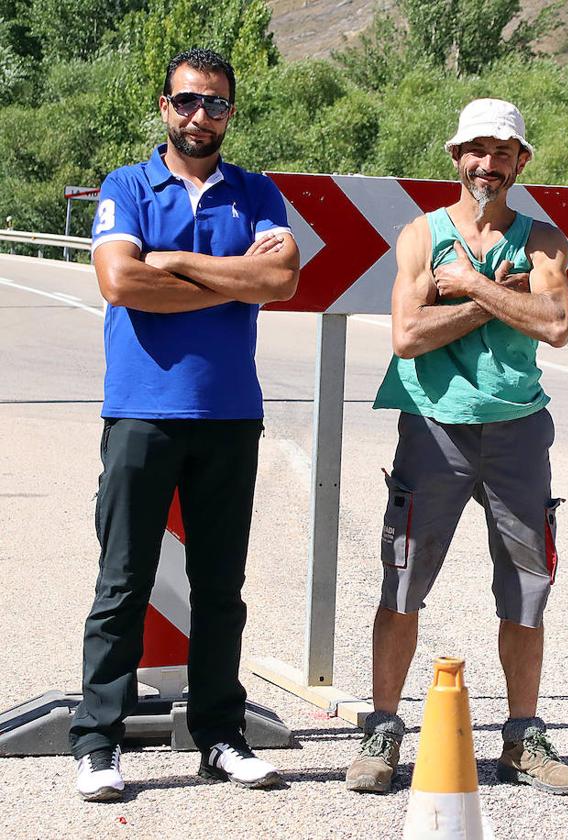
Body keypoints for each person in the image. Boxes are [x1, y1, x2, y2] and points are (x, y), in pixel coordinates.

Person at [71, 47, 300, 801]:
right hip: (142, 412)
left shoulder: (256, 192)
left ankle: (220, 737)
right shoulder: (127, 184)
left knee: (220, 589)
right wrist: (230, 281)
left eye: (217, 104)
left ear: (232, 113)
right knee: (123, 582)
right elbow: (118, 280)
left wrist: (172, 262)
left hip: (231, 414)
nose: (202, 116)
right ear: (165, 107)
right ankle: (98, 740)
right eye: (188, 101)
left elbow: (280, 279)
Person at [345, 98, 568, 796]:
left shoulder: (543, 241)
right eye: (476, 150)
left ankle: (522, 739)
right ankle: (383, 730)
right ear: (457, 158)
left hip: (518, 431)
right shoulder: (422, 237)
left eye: (503, 151)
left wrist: (473, 287)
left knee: (527, 589)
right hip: (433, 427)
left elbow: (557, 322)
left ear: (521, 162)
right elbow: (408, 336)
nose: (489, 164)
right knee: (402, 580)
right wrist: (500, 299)